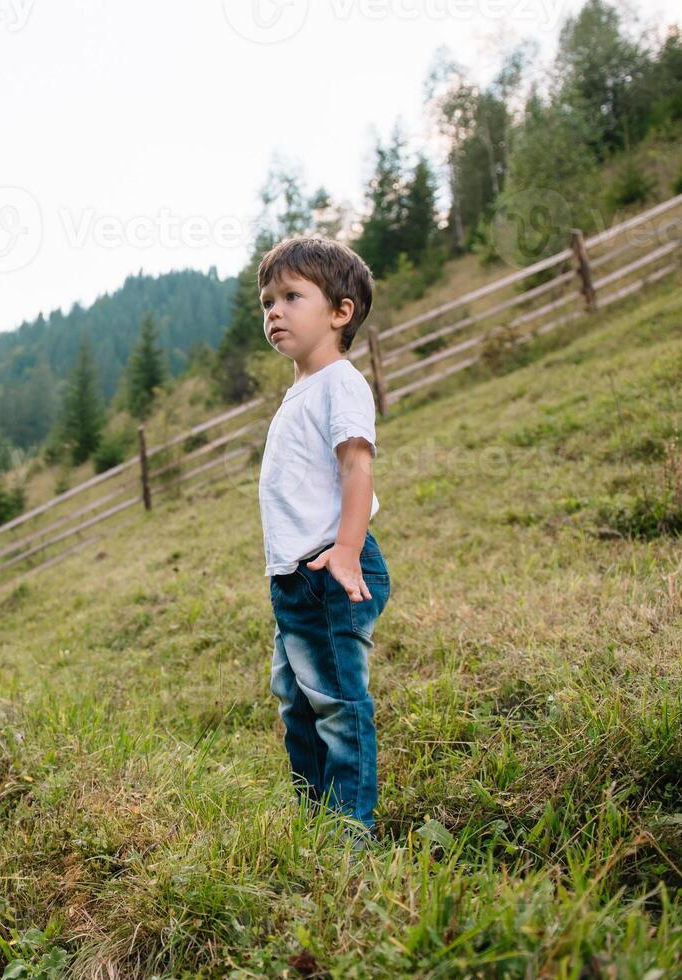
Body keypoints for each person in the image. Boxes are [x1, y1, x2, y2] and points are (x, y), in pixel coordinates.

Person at [257, 235, 392, 839]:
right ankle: (313, 821)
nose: (274, 312)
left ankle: (350, 833)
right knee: (298, 704)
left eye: (291, 296)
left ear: (341, 312)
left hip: (333, 568)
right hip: (295, 578)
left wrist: (344, 549)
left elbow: (356, 467)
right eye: (267, 301)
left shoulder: (340, 382)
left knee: (338, 702)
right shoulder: (299, 392)